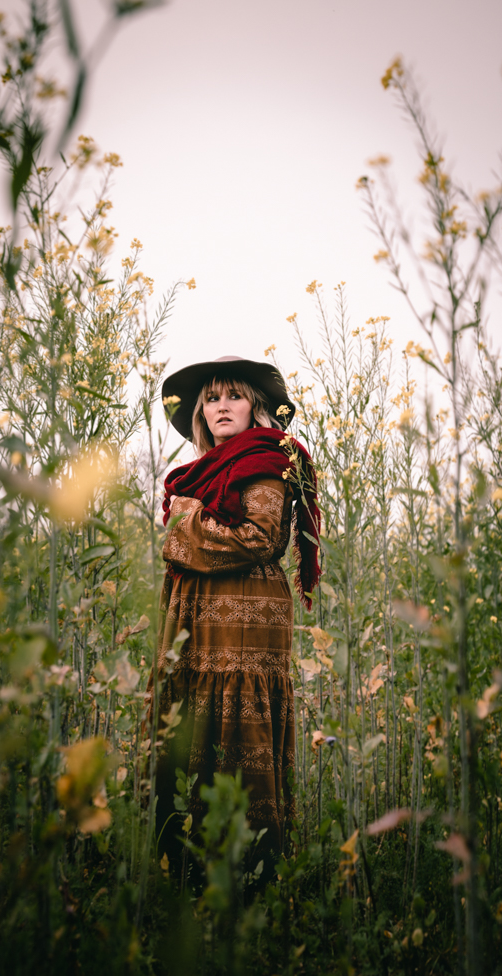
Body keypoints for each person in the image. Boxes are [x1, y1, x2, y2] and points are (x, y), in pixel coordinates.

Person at [151, 355, 321, 883]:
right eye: (212, 398)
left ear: (256, 407)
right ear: (201, 411)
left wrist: (184, 519)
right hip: (199, 621)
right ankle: (189, 870)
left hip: (244, 622)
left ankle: (251, 874)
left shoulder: (265, 460)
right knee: (194, 727)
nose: (222, 405)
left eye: (234, 395)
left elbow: (261, 537)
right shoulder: (199, 472)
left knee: (237, 727)